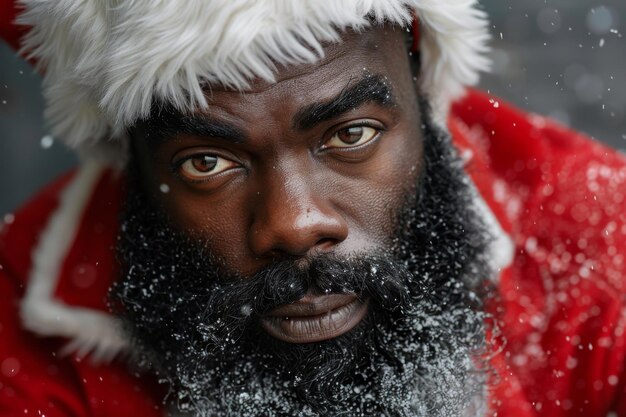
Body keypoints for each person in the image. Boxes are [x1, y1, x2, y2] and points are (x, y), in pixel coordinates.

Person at [1, 1, 626, 416]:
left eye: (351, 135)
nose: (294, 225)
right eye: (207, 163)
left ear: (424, 98)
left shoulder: (594, 229)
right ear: (134, 163)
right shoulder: (19, 327)